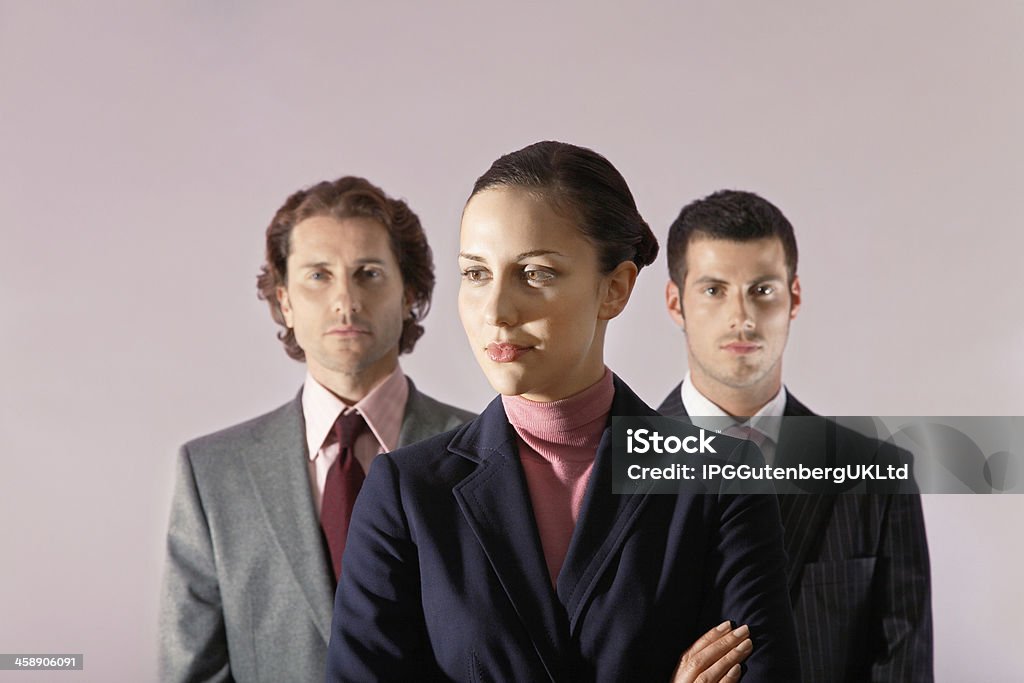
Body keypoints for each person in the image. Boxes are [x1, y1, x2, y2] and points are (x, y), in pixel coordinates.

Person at [325, 143, 800, 682]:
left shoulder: (721, 480)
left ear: (614, 289)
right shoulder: (406, 495)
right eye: (476, 274)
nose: (497, 312)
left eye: (535, 273)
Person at [158, 176, 474, 682]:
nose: (345, 300)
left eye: (368, 273)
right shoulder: (212, 474)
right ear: (284, 301)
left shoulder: (484, 452)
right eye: (318, 276)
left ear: (410, 292)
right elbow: (193, 671)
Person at [657, 189, 933, 681]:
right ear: (676, 303)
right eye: (714, 290)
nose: (741, 316)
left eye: (762, 289)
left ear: (794, 297)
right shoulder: (602, 465)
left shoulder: (880, 479)